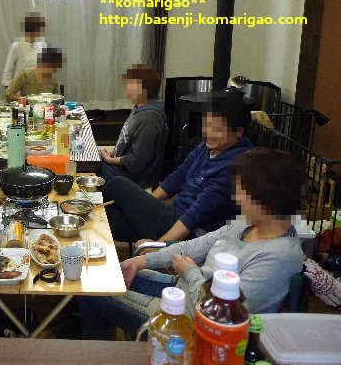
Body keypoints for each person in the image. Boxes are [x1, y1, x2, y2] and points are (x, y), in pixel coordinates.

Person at [78, 148, 305, 340]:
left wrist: (191, 272)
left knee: (92, 291)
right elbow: (191, 247)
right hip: (183, 291)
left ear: (265, 197)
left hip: (190, 325)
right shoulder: (246, 225)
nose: (236, 198)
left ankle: (97, 349)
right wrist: (140, 262)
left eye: (242, 192)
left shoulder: (279, 257)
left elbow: (220, 314)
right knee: (103, 276)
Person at [104, 92, 252, 243]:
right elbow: (175, 179)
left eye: (218, 129)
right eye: (207, 124)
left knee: (118, 184)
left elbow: (195, 215)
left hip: (191, 234)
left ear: (238, 132)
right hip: (173, 216)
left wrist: (158, 246)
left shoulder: (237, 165)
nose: (209, 133)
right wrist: (143, 205)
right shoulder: (206, 147)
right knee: (106, 217)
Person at [99, 64, 166, 187]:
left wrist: (109, 160)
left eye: (130, 84)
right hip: (120, 169)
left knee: (88, 167)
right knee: (87, 159)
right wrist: (113, 153)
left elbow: (136, 163)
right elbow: (127, 142)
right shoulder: (138, 107)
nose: (126, 88)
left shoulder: (149, 117)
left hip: (130, 179)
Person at [1, 12, 47, 88]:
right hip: (19, 89)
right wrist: (10, 91)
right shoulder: (16, 46)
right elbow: (8, 71)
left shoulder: (42, 45)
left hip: (37, 89)